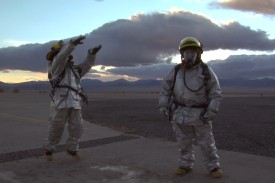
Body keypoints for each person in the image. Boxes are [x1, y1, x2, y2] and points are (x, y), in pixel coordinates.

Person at [159, 37, 223, 178]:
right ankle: (185, 165)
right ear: (182, 54)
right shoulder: (176, 71)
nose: (189, 55)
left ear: (198, 54)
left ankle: (213, 166)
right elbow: (165, 89)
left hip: (200, 114)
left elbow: (215, 93)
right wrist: (163, 105)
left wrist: (212, 110)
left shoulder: (206, 71)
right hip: (179, 114)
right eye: (186, 52)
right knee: (183, 142)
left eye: (192, 52)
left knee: (206, 142)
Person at [44, 35, 102, 161]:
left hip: (75, 102)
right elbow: (60, 58)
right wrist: (71, 45)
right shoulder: (56, 68)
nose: (65, 56)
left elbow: (86, 66)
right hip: (60, 101)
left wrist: (91, 55)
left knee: (77, 127)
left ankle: (72, 149)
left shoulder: (75, 70)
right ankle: (49, 149)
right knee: (56, 127)